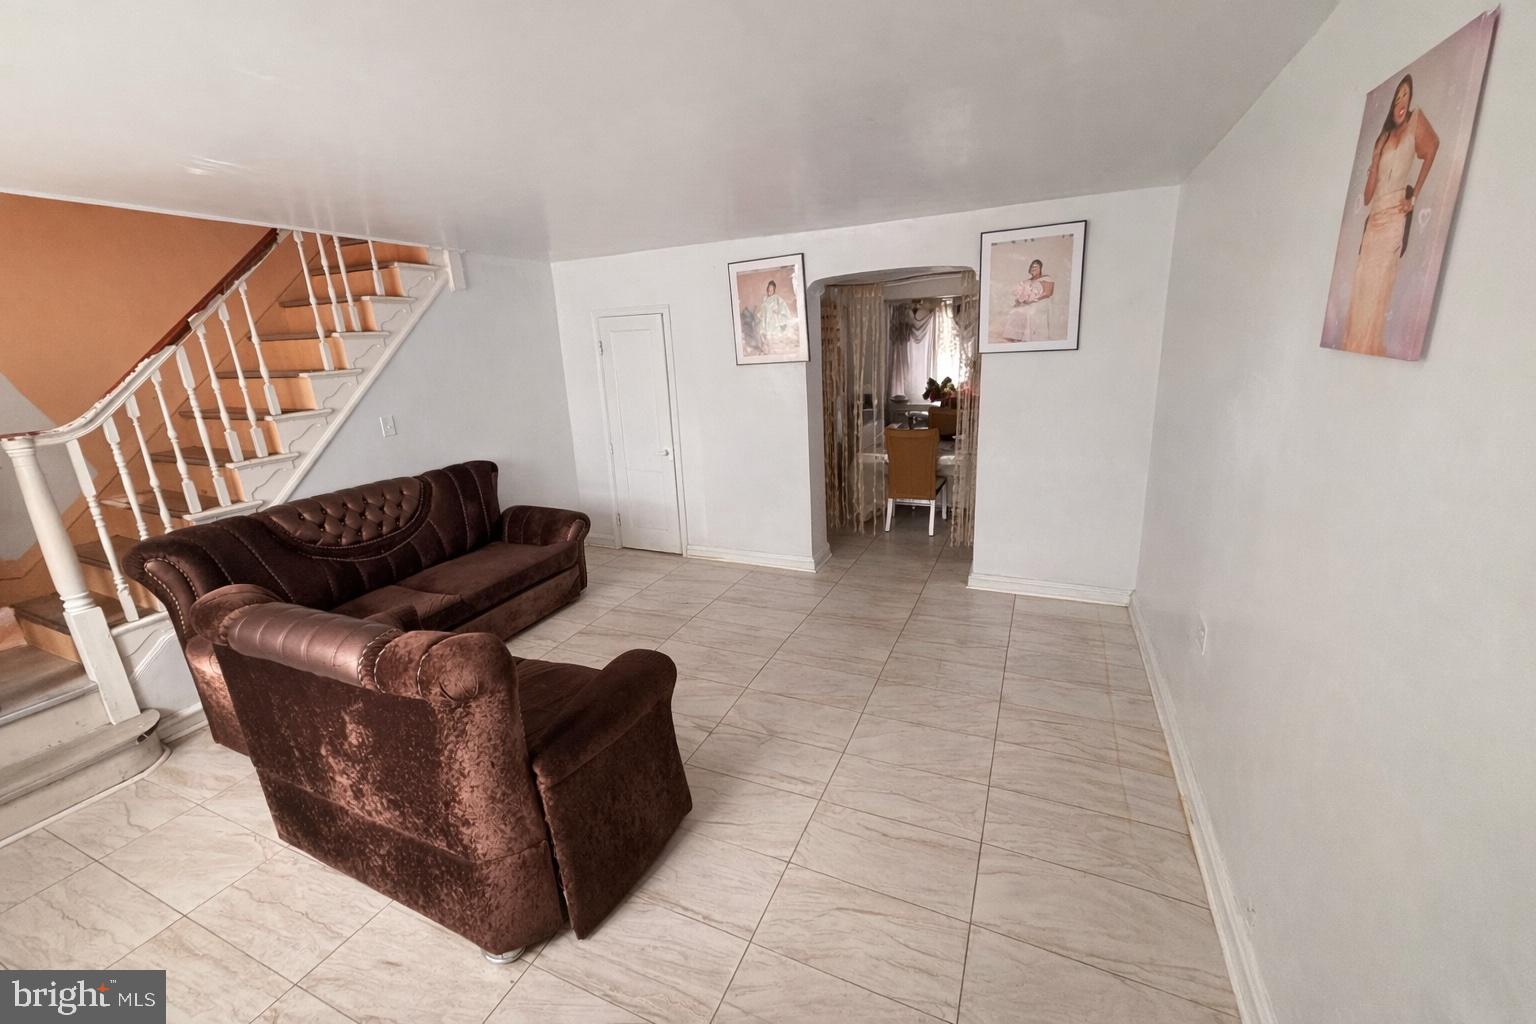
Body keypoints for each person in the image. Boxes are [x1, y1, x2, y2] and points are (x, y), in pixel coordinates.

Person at [1341, 74, 1440, 356]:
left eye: (1405, 96)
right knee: (1363, 284)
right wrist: (1374, 162)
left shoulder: (1415, 122)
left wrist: (1414, 196)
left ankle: (1368, 346)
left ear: (1410, 100)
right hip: (1375, 218)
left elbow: (1432, 148)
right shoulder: (1383, 138)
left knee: (1380, 287)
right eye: (1397, 97)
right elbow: (1367, 196)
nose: (1401, 102)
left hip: (1394, 216)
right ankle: (1355, 346)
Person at [1002, 259, 1054, 342]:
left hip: (1041, 301)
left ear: (1040, 268)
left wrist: (1033, 300)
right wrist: (1020, 300)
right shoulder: (1027, 281)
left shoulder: (1046, 278)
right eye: (1032, 267)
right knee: (1016, 310)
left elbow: (1048, 293)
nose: (1034, 268)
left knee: (1029, 311)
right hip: (1029, 302)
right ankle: (1016, 336)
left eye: (1036, 267)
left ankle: (1029, 337)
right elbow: (1023, 292)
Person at [752, 279, 798, 353]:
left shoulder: (777, 298)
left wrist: (778, 312)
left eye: (771, 289)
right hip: (765, 321)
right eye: (769, 288)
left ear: (774, 290)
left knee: (772, 339)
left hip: (773, 321)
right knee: (763, 337)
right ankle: (766, 350)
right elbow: (762, 310)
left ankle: (772, 351)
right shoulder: (765, 299)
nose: (770, 290)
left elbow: (783, 308)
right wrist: (760, 315)